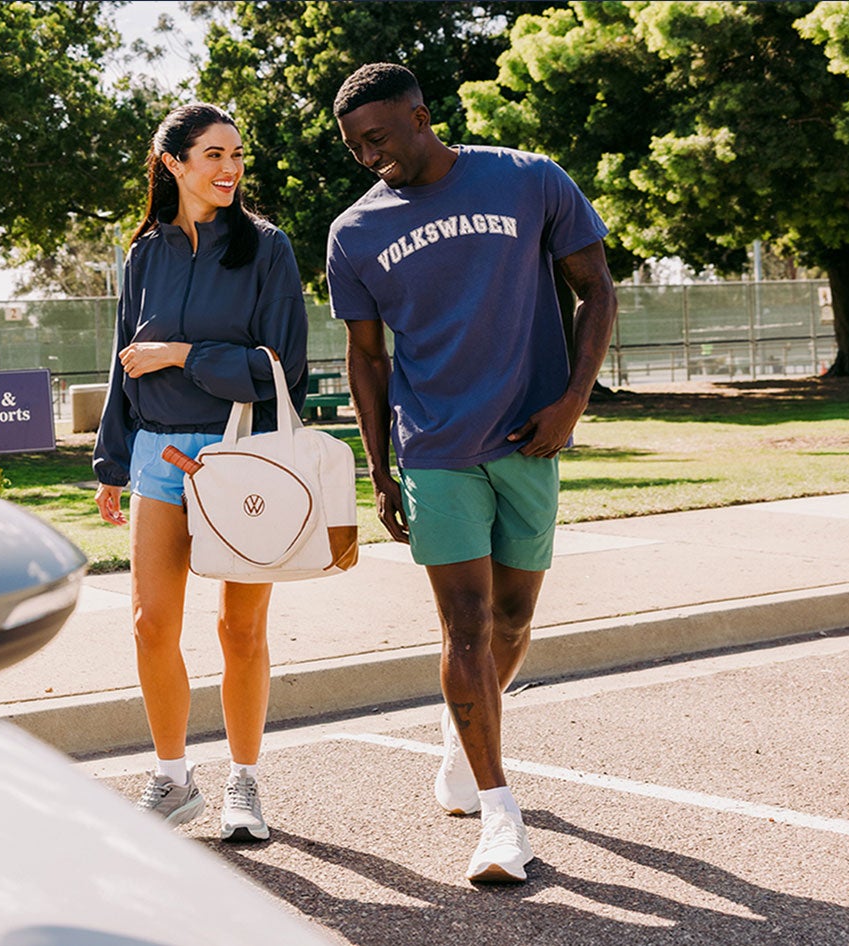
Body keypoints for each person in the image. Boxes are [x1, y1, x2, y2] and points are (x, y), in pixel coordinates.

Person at [325, 63, 617, 883]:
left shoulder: (530, 179)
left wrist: (571, 404)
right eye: (353, 146)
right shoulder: (354, 231)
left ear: (421, 117)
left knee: (514, 620)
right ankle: (499, 817)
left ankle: (462, 732)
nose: (365, 156)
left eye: (376, 137)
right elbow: (365, 357)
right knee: (465, 625)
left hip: (531, 437)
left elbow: (596, 289)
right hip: (436, 449)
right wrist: (380, 470)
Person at [93, 103, 309, 843]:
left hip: (241, 454)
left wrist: (183, 353)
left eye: (237, 156)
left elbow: (282, 370)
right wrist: (112, 463)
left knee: (240, 629)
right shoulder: (144, 253)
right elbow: (124, 363)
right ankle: (174, 776)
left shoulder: (269, 250)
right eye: (213, 155)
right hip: (157, 456)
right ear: (173, 164)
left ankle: (245, 782)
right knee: (152, 624)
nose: (228, 169)